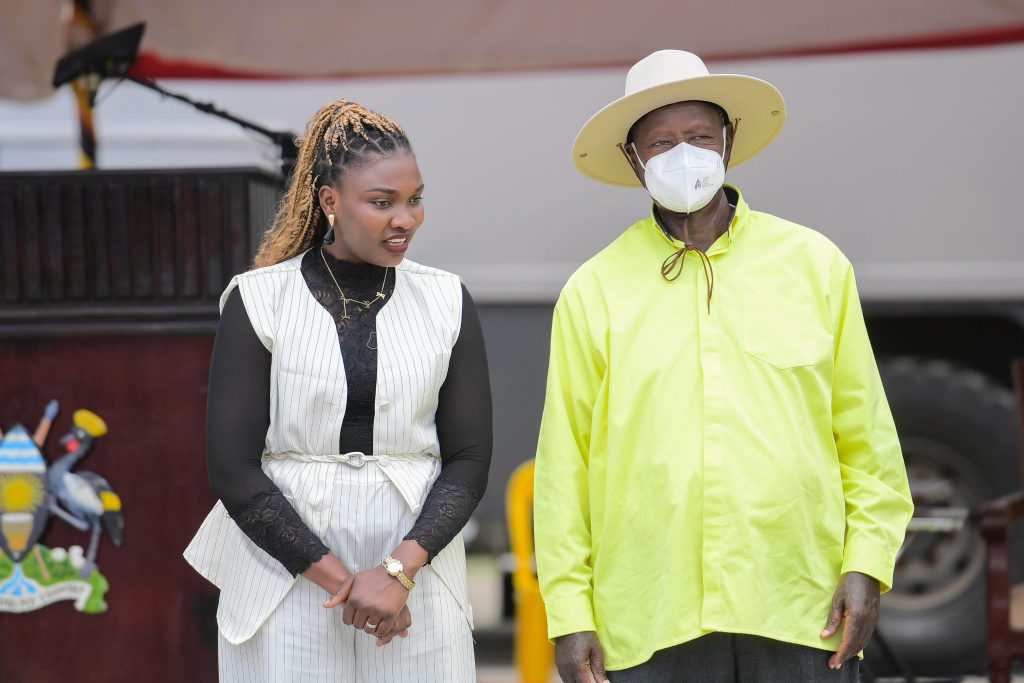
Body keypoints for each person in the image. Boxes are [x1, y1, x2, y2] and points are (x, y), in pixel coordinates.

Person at [534, 50, 913, 682]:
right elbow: (562, 468)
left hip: (798, 603)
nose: (683, 155)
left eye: (699, 137)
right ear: (634, 160)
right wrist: (569, 613)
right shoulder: (593, 290)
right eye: (660, 143)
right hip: (649, 615)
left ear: (729, 142)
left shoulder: (814, 265)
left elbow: (867, 435)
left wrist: (867, 564)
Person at [184, 100, 492, 682]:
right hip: (282, 570)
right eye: (382, 203)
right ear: (330, 201)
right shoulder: (258, 299)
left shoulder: (448, 300)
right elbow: (232, 467)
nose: (405, 218)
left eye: (414, 199)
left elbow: (470, 459)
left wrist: (398, 573)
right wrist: (346, 584)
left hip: (417, 561)